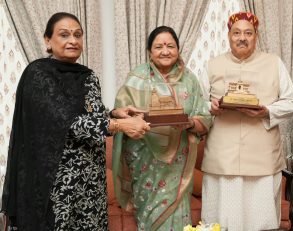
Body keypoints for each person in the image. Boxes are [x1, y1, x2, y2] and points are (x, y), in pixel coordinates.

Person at [1, 12, 150, 231]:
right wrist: (120, 127)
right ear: (48, 40)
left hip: (91, 180)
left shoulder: (88, 76)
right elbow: (68, 122)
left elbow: (90, 117)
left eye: (78, 35)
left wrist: (115, 114)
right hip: (56, 181)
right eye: (64, 35)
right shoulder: (38, 74)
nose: (73, 40)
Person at [201, 12, 293, 231]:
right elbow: (196, 102)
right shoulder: (212, 65)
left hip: (262, 156)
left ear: (256, 36)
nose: (242, 38)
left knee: (259, 220)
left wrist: (266, 111)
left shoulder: (274, 63)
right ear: (228, 36)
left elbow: (292, 103)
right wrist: (211, 107)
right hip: (222, 156)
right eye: (236, 33)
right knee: (221, 220)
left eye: (248, 33)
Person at [112, 26, 212, 231]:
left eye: (170, 46)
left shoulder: (190, 80)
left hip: (178, 162)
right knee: (150, 217)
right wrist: (128, 117)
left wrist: (190, 123)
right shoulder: (136, 78)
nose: (165, 51)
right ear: (149, 51)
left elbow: (205, 116)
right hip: (144, 160)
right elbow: (120, 114)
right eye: (158, 46)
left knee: (177, 213)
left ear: (178, 49)